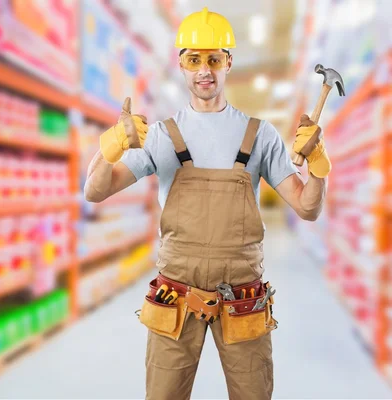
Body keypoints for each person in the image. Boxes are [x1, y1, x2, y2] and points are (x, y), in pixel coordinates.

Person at [84, 6, 330, 400]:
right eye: (194, 59)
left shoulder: (260, 135)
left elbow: (308, 207)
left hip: (243, 299)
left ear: (228, 63)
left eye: (214, 59)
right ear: (180, 64)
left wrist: (317, 165)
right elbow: (95, 191)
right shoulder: (161, 135)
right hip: (175, 298)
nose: (205, 70)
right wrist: (110, 146)